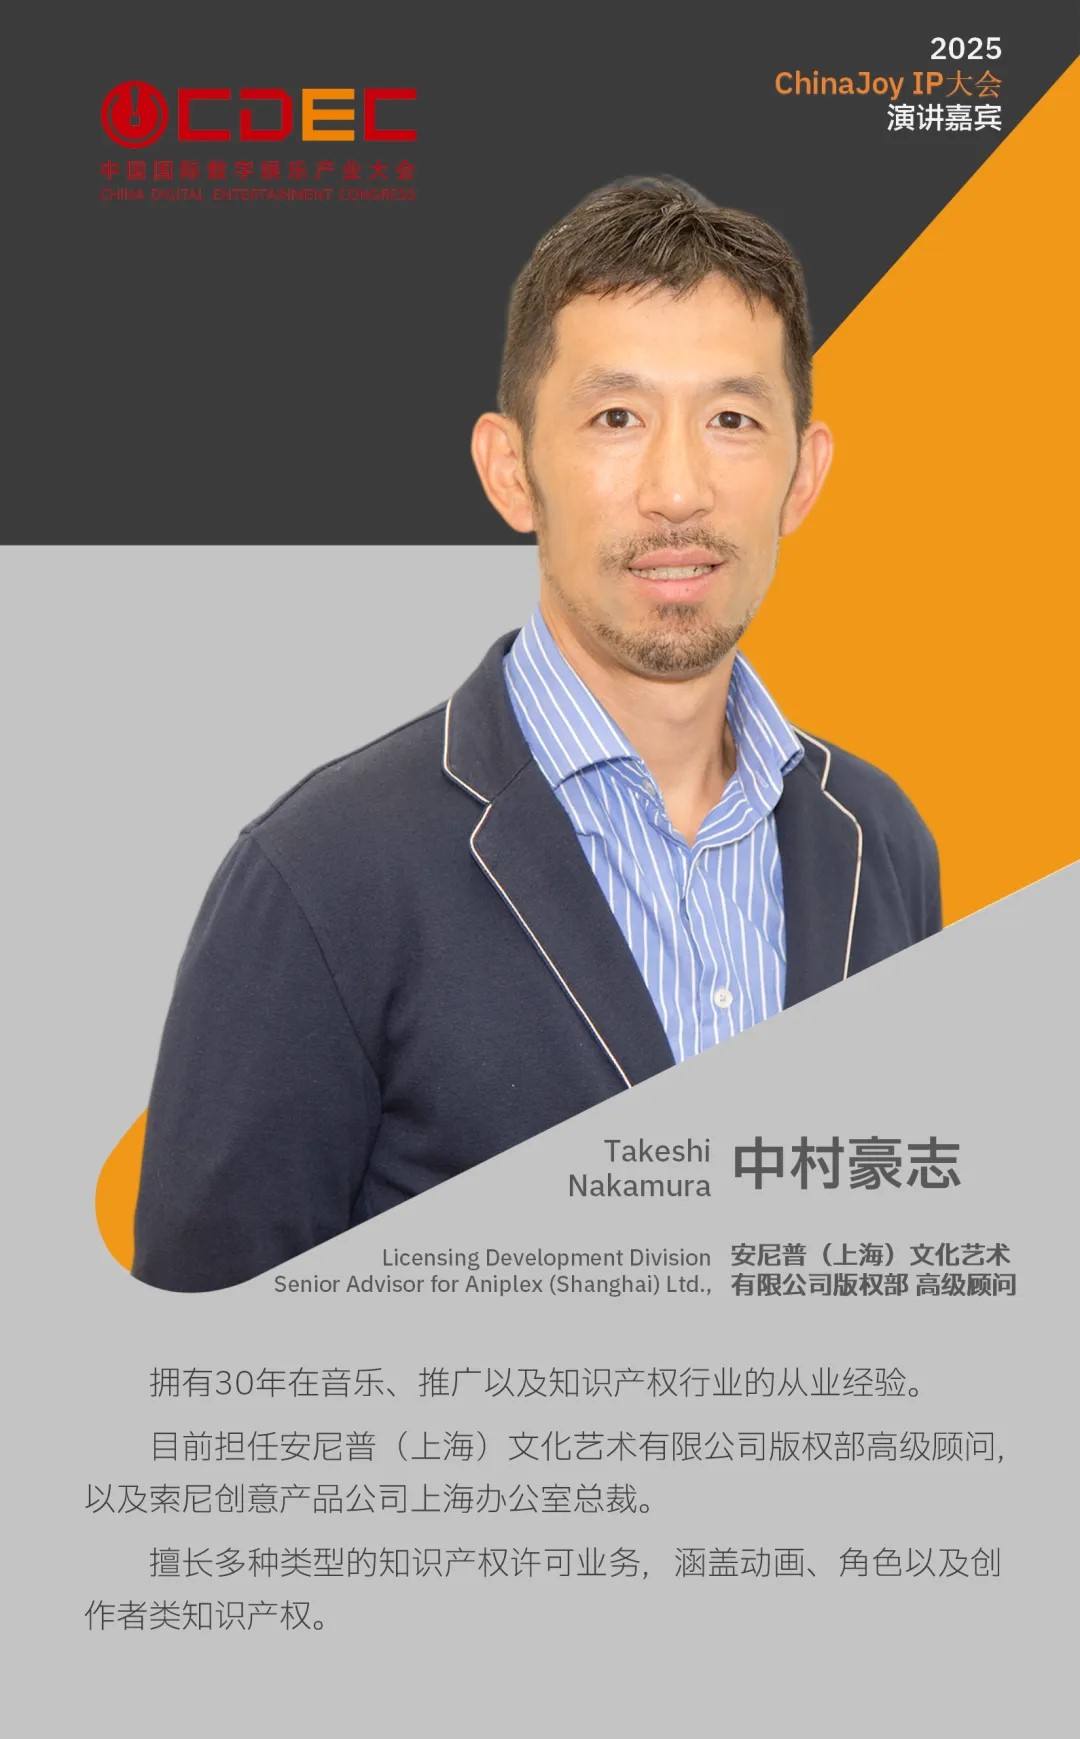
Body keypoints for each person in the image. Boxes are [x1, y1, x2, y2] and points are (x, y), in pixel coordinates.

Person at [132, 174, 941, 1292]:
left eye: (733, 419)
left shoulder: (880, 843)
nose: (678, 489)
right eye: (617, 418)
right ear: (511, 471)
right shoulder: (321, 878)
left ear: (802, 475)